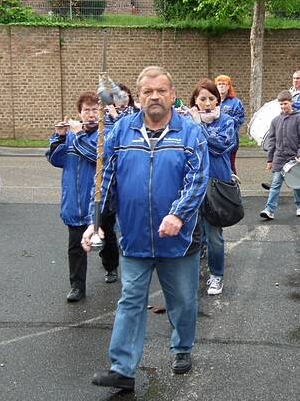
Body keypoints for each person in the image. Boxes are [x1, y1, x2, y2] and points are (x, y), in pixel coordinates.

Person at [84, 66, 209, 391]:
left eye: (161, 90)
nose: (154, 96)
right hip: (136, 238)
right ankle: (123, 368)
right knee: (130, 300)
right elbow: (105, 180)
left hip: (179, 241)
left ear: (172, 94)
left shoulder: (190, 133)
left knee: (182, 301)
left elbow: (197, 178)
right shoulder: (122, 132)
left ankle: (182, 347)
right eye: (147, 91)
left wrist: (178, 214)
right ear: (138, 98)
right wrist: (94, 223)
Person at [46, 91, 119, 302]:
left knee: (107, 238)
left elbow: (98, 157)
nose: (91, 114)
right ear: (79, 112)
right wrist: (59, 137)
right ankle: (77, 286)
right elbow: (56, 160)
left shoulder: (107, 133)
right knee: (75, 246)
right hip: (74, 201)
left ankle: (111, 266)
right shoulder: (71, 134)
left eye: (95, 110)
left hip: (98, 200)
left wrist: (77, 135)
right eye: (86, 110)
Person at [188, 79, 236, 295]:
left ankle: (216, 276)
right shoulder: (186, 122)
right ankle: (190, 272)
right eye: (202, 99)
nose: (207, 103)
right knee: (192, 232)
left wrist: (199, 126)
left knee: (214, 234)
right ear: (195, 101)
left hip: (216, 183)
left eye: (211, 98)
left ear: (218, 100)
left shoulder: (226, 121)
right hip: (192, 183)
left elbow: (221, 146)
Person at [260, 90, 300, 220]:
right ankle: (269, 210)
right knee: (275, 184)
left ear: (291, 103)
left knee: (296, 185)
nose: (283, 107)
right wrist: (270, 160)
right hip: (279, 158)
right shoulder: (275, 121)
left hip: (294, 159)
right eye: (281, 104)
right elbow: (272, 142)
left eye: (285, 103)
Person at [215, 75, 245, 174]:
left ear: (228, 86)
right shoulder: (213, 101)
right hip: (215, 140)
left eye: (224, 84)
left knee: (230, 166)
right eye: (219, 84)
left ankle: (232, 187)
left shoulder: (235, 102)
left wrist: (224, 118)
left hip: (230, 141)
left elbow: (239, 120)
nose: (221, 86)